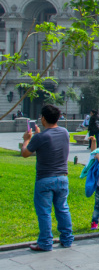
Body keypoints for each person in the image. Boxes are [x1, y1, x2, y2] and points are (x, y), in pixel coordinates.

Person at [20, 104, 73, 251]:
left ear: (43, 118)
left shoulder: (40, 137)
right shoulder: (65, 132)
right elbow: (51, 139)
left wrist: (27, 139)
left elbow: (25, 153)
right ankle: (67, 239)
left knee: (44, 212)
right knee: (62, 209)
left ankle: (45, 242)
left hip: (45, 179)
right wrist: (39, 134)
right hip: (62, 178)